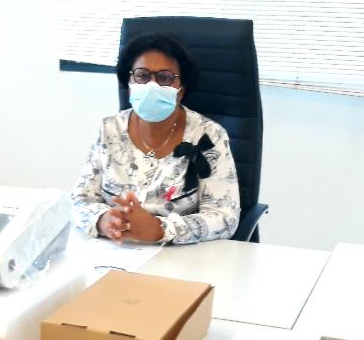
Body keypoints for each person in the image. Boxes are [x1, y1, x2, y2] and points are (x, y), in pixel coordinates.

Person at [71, 33, 240, 244]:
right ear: (129, 83)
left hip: (182, 255)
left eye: (165, 78)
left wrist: (161, 230)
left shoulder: (208, 136)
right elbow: (80, 199)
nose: (152, 85)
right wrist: (102, 219)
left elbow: (225, 217)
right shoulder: (109, 129)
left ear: (181, 90)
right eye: (142, 75)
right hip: (113, 249)